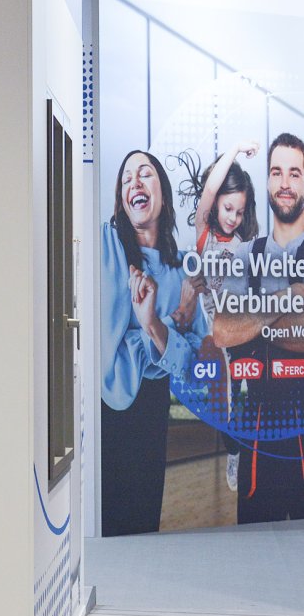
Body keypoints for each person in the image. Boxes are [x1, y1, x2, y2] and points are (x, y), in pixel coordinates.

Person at [102, 150, 207, 536]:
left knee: (145, 524)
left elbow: (195, 367)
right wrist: (173, 324)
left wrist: (152, 325)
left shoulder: (183, 269)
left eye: (144, 173)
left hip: (152, 408)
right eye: (126, 178)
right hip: (109, 408)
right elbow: (107, 350)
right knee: (110, 526)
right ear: (121, 199)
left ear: (162, 192)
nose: (135, 182)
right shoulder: (106, 247)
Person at [213, 133, 304, 524]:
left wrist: (251, 318)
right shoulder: (246, 254)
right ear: (267, 181)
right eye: (276, 172)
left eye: (295, 173)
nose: (285, 183)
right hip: (257, 433)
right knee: (253, 547)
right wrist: (287, 299)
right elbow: (222, 330)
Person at [177, 142, 260, 491]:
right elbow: (210, 189)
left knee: (255, 393)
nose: (232, 217)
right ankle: (234, 452)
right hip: (221, 335)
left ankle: (253, 454)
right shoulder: (204, 236)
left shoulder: (243, 243)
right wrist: (236, 150)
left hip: (246, 330)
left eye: (239, 212)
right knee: (227, 403)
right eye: (228, 208)